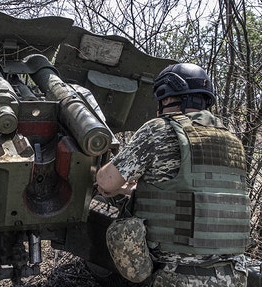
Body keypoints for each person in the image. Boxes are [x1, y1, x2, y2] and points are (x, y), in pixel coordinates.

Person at [96, 63, 251, 286]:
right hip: (234, 275)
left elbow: (106, 181)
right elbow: (196, 195)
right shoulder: (232, 141)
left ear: (167, 97)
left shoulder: (159, 129)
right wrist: (134, 190)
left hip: (179, 276)